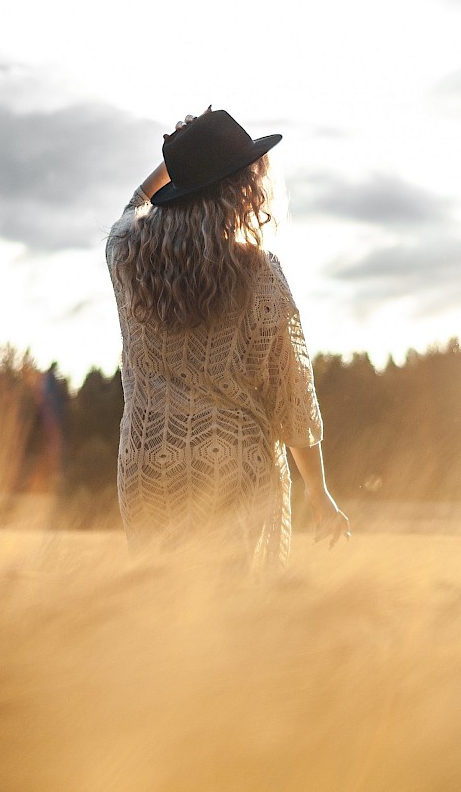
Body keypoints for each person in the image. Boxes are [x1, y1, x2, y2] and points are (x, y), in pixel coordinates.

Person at [104, 107, 349, 574]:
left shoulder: (124, 254)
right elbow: (292, 395)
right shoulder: (260, 274)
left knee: (156, 606)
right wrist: (319, 493)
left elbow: (136, 201)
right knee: (230, 612)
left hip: (147, 462)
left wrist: (181, 156)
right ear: (240, 189)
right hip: (233, 464)